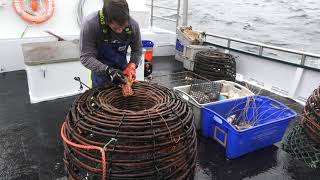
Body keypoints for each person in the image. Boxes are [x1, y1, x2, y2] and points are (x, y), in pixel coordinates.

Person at [80, 0, 142, 88]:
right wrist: (109, 71)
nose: (120, 31)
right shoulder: (91, 25)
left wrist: (132, 65)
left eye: (123, 27)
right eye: (116, 28)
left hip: (123, 75)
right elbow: (86, 57)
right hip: (100, 76)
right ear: (106, 19)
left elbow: (137, 50)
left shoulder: (133, 25)